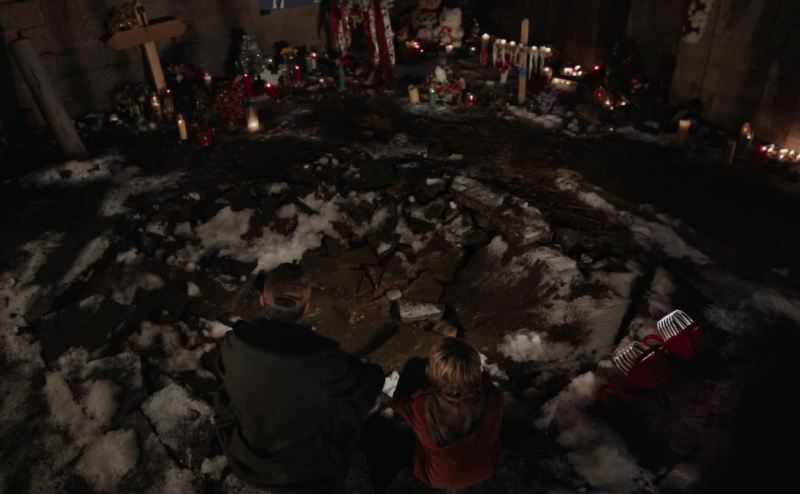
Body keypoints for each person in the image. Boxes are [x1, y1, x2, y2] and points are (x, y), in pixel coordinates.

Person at [214, 263, 384, 493]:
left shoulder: (235, 342)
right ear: (306, 307)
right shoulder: (323, 358)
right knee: (350, 401)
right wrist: (371, 371)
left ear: (262, 301)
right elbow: (369, 383)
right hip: (304, 473)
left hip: (245, 458)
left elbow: (221, 371)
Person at [392, 337, 504, 491]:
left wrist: (413, 369)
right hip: (486, 468)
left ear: (434, 375)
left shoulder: (422, 407)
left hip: (440, 478)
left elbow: (398, 402)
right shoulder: (493, 397)